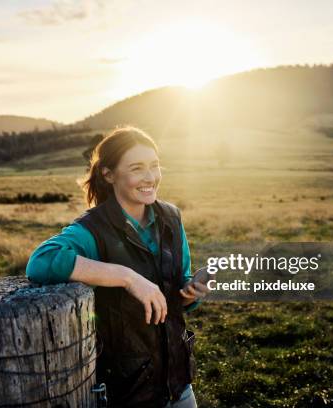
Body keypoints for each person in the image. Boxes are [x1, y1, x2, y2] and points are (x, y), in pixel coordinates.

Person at [26, 126, 210, 407]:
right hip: (128, 391)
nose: (150, 177)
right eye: (137, 168)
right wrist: (126, 276)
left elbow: (179, 286)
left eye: (154, 166)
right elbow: (41, 261)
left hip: (178, 382)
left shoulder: (171, 218)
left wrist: (188, 293)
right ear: (108, 174)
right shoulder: (92, 230)